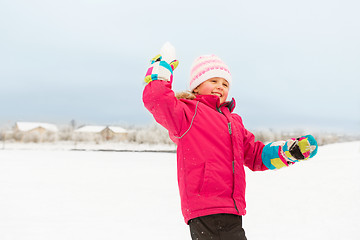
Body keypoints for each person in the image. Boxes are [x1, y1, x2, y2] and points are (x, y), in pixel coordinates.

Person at [143, 53, 318, 240]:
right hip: (206, 206)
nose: (220, 86)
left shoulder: (234, 122)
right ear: (196, 85)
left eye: (225, 84)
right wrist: (160, 74)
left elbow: (256, 155)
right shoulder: (187, 114)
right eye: (213, 80)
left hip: (232, 206)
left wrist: (288, 152)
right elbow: (158, 100)